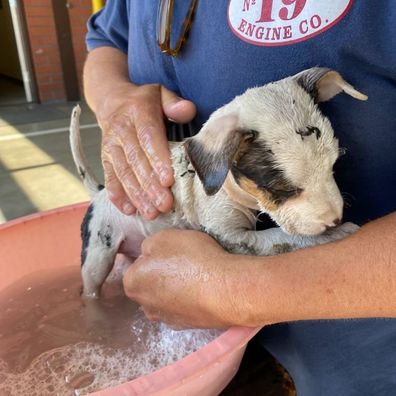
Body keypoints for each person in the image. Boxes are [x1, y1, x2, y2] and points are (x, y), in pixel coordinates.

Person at [85, 1, 396, 395]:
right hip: (186, 353)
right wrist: (114, 99)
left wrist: (235, 291)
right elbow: (107, 41)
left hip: (359, 358)